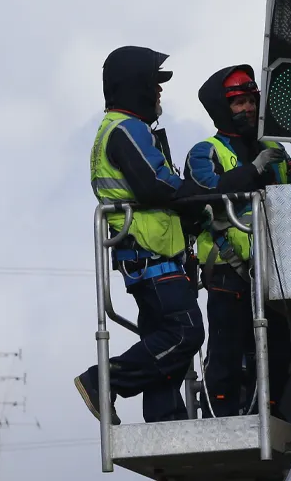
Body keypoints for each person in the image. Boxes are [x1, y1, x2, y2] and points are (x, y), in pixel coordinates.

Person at [75, 45, 206, 425]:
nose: (160, 91)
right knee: (185, 333)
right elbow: (153, 186)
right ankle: (104, 379)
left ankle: (167, 421)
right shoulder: (125, 129)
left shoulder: (121, 129)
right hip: (152, 258)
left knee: (160, 340)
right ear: (135, 85)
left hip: (147, 257)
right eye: (154, 83)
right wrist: (201, 196)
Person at [183, 64, 291, 420]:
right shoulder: (205, 152)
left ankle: (268, 414)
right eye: (239, 103)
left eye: (252, 101)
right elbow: (207, 192)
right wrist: (254, 168)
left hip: (276, 270)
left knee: (280, 351)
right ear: (222, 108)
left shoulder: (273, 148)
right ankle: (220, 421)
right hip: (229, 270)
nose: (249, 109)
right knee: (226, 351)